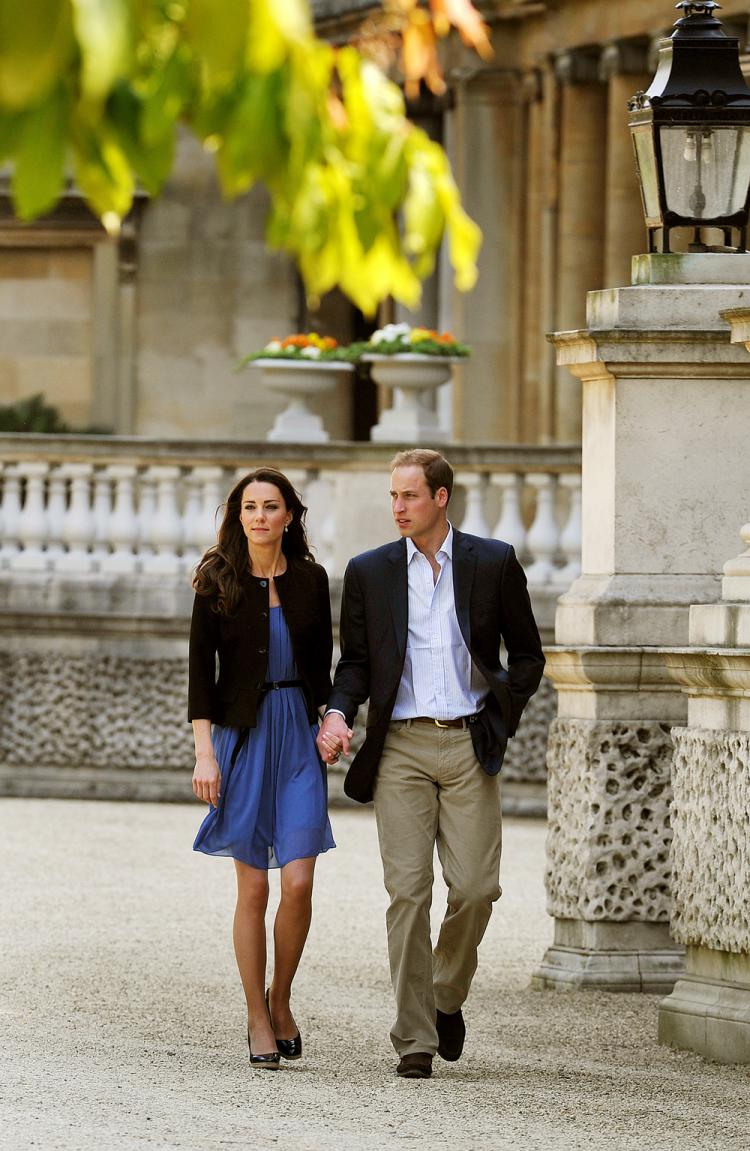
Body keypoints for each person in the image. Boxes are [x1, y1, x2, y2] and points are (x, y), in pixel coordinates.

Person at [317, 449, 544, 1079]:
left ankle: (445, 995)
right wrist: (339, 713)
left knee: (475, 888)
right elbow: (355, 663)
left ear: (440, 498)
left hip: (470, 742)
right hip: (401, 748)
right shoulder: (370, 571)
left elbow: (527, 655)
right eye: (393, 497)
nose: (397, 508)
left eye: (409, 496)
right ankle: (413, 1038)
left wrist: (502, 713)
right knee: (408, 893)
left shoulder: (493, 562)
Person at [189, 467, 335, 1070]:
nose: (259, 517)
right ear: (237, 515)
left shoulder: (311, 581)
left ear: (289, 515)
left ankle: (282, 998)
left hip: (298, 739)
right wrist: (205, 755)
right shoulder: (215, 581)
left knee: (298, 881)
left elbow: (323, 668)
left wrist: (332, 717)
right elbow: (202, 678)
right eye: (249, 506)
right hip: (242, 742)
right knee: (253, 886)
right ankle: (256, 1014)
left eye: (270, 506)